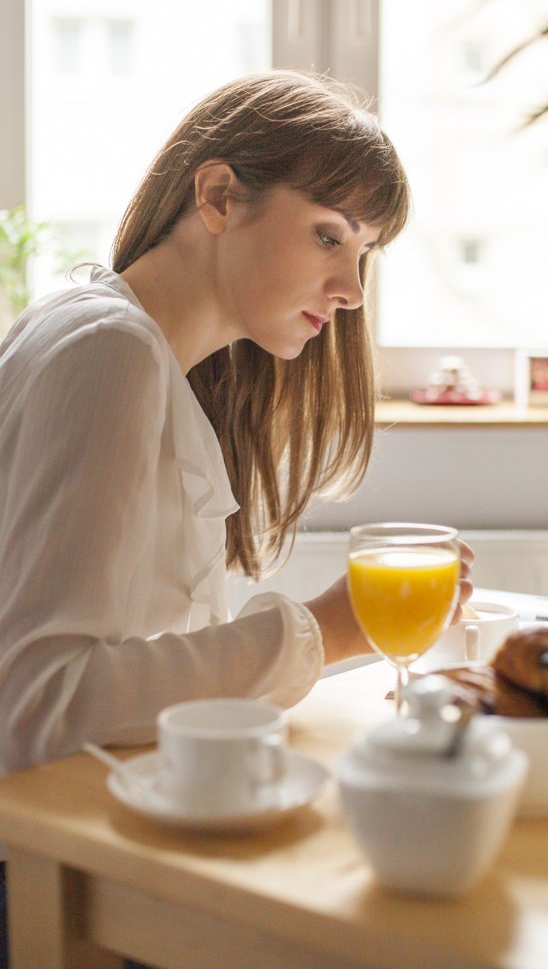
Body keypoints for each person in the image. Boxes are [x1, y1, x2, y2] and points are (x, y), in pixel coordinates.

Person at [0, 67, 473, 772]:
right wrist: (325, 630)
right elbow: (35, 701)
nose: (349, 291)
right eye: (326, 236)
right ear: (219, 197)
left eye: (362, 253)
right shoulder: (110, 350)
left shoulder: (143, 357)